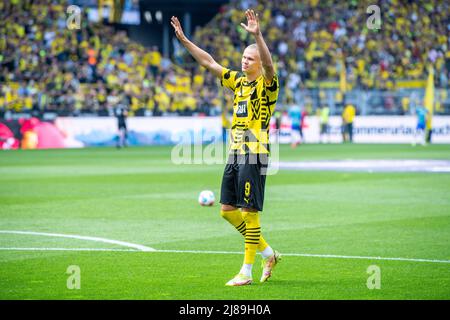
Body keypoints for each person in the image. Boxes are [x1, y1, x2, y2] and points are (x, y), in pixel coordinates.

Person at [171, 9, 281, 286]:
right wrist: (185, 41)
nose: (245, 62)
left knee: (248, 212)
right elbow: (209, 62)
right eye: (244, 57)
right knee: (226, 209)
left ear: (259, 62)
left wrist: (258, 36)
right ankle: (268, 253)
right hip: (235, 152)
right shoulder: (238, 82)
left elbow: (269, 66)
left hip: (255, 153)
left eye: (250, 58)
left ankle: (246, 271)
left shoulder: (268, 85)